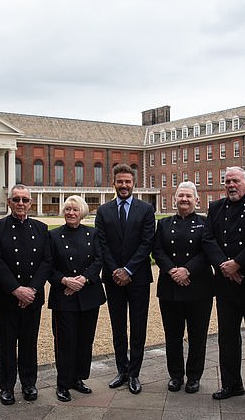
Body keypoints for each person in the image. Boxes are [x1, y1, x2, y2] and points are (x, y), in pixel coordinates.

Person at [202, 167, 245, 407]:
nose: (231, 185)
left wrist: (238, 262)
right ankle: (231, 384)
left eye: (236, 181)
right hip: (225, 284)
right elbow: (208, 238)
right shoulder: (216, 207)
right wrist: (224, 265)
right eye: (227, 181)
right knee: (227, 338)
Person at [0, 184, 52, 405]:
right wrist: (17, 290)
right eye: (16, 200)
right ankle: (6, 387)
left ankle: (28, 383)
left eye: (25, 200)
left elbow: (46, 261)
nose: (21, 204)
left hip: (32, 298)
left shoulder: (41, 229)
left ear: (31, 203)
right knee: (6, 344)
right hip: (6, 298)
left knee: (29, 343)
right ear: (9, 202)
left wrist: (31, 290)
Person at [95, 163, 155, 394]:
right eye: (120, 181)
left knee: (138, 327)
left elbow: (147, 242)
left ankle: (135, 374)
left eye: (127, 182)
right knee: (118, 326)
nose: (124, 185)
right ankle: (122, 370)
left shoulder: (145, 210)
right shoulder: (104, 211)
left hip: (138, 278)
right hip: (113, 279)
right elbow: (102, 244)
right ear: (114, 183)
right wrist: (115, 271)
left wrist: (128, 270)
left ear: (134, 183)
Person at [152, 182, 214, 394]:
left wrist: (187, 270)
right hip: (170, 288)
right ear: (174, 200)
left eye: (188, 196)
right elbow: (157, 251)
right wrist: (172, 271)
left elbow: (208, 252)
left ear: (197, 200)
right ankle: (176, 375)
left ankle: (194, 376)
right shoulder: (164, 224)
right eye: (181, 196)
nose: (184, 199)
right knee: (173, 335)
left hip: (199, 287)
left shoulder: (206, 224)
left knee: (198, 336)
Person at [48, 195, 106, 402]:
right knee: (65, 342)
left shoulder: (93, 233)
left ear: (82, 212)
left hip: (88, 295)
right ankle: (63, 383)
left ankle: (78, 379)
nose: (71, 213)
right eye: (68, 209)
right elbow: (48, 266)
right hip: (63, 296)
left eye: (75, 209)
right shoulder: (53, 236)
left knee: (84, 341)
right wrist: (65, 281)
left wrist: (83, 280)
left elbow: (99, 259)